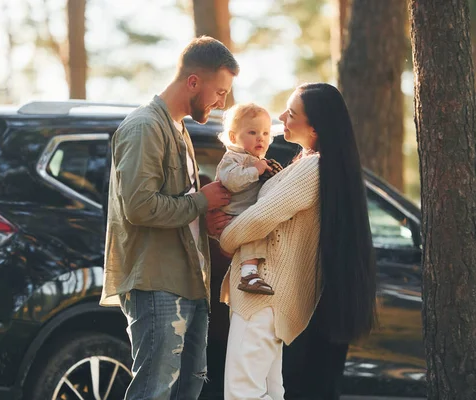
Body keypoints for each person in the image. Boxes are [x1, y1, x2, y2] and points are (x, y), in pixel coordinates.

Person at [215, 83, 377, 399]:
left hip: (263, 294)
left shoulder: (315, 167)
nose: (280, 117)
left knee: (242, 390)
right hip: (270, 295)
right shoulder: (307, 162)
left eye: (291, 113)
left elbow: (262, 217)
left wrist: (226, 239)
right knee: (270, 390)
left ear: (315, 127)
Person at [100, 36, 239, 400]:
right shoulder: (145, 126)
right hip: (157, 283)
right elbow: (140, 206)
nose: (222, 102)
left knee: (187, 389)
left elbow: (176, 204)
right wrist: (199, 203)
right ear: (193, 81)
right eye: (219, 92)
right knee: (154, 391)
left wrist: (203, 221)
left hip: (189, 282)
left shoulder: (179, 128)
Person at [215, 103, 282, 295]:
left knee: (258, 230)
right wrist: (255, 171)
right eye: (252, 132)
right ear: (233, 137)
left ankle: (254, 272)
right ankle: (249, 274)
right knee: (254, 231)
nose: (261, 137)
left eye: (266, 133)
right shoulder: (233, 158)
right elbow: (231, 182)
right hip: (232, 216)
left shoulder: (259, 161)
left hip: (244, 215)